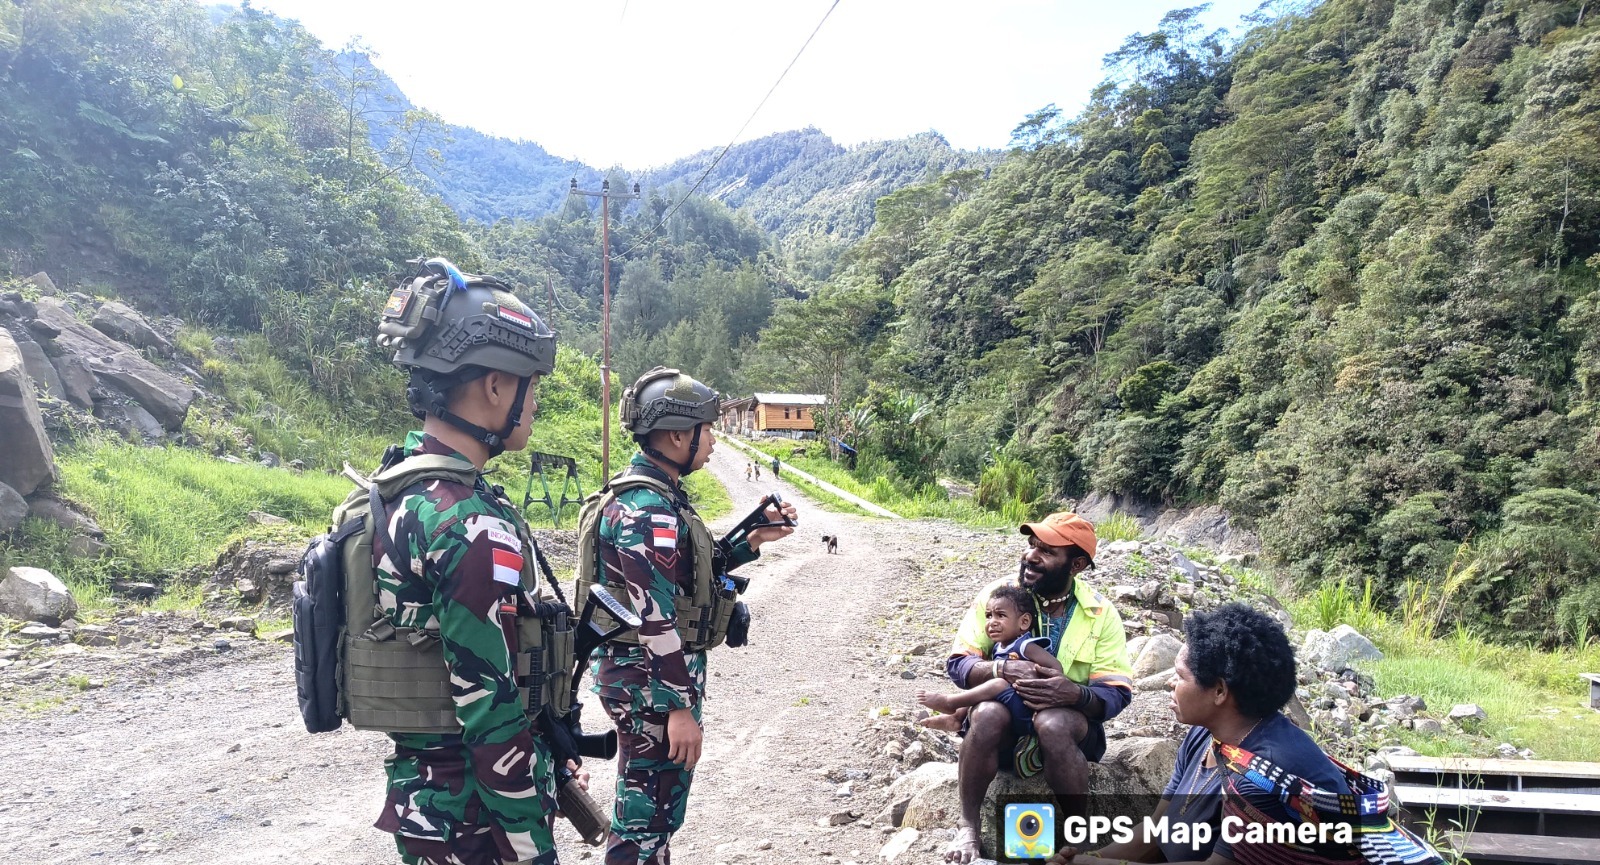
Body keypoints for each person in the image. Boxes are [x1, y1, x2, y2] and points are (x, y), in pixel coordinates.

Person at [369, 262, 577, 865]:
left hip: (429, 803)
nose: (533, 403)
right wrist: (530, 843)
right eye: (530, 385)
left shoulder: (399, 490)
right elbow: (487, 707)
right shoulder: (467, 522)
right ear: (494, 386)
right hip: (477, 822)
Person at [586, 367, 799, 865]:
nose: (714, 441)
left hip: (645, 682)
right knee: (645, 820)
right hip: (652, 687)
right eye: (709, 429)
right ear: (679, 434)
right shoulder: (647, 510)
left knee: (654, 817)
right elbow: (656, 615)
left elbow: (684, 578)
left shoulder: (654, 498)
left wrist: (751, 541)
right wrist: (678, 707)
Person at [1051, 603, 1441, 865]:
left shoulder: (1268, 775)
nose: (1170, 683)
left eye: (1181, 676)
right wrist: (1098, 858)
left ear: (1220, 691)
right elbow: (1158, 831)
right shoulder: (1206, 736)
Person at [941, 512, 1135, 864]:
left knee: (1054, 723)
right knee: (985, 714)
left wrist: (1074, 694)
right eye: (1032, 545)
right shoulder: (998, 596)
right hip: (1004, 722)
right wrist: (1003, 667)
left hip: (1068, 726)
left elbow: (1116, 692)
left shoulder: (1100, 613)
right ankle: (968, 826)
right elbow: (958, 663)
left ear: (1076, 564)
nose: (1031, 556)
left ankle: (1078, 834)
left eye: (1047, 551)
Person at [917, 584, 1063, 734]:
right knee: (986, 680)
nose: (992, 622)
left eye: (1001, 615)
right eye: (989, 615)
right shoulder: (998, 647)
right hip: (1007, 709)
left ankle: (950, 702)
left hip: (1028, 710)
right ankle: (956, 718)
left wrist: (1042, 685)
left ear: (1024, 622)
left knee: (997, 683)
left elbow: (1056, 667)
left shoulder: (1025, 646)